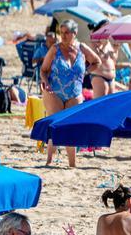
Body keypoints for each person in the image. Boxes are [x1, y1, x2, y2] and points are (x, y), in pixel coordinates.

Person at [40, 21, 101, 168]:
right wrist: (45, 82)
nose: (63, 36)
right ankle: (49, 160)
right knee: (55, 125)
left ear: (74, 33)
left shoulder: (82, 49)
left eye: (67, 32)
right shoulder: (55, 49)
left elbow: (97, 61)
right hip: (55, 91)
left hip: (75, 92)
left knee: (71, 127)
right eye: (61, 32)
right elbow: (43, 70)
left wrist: (85, 72)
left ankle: (72, 164)